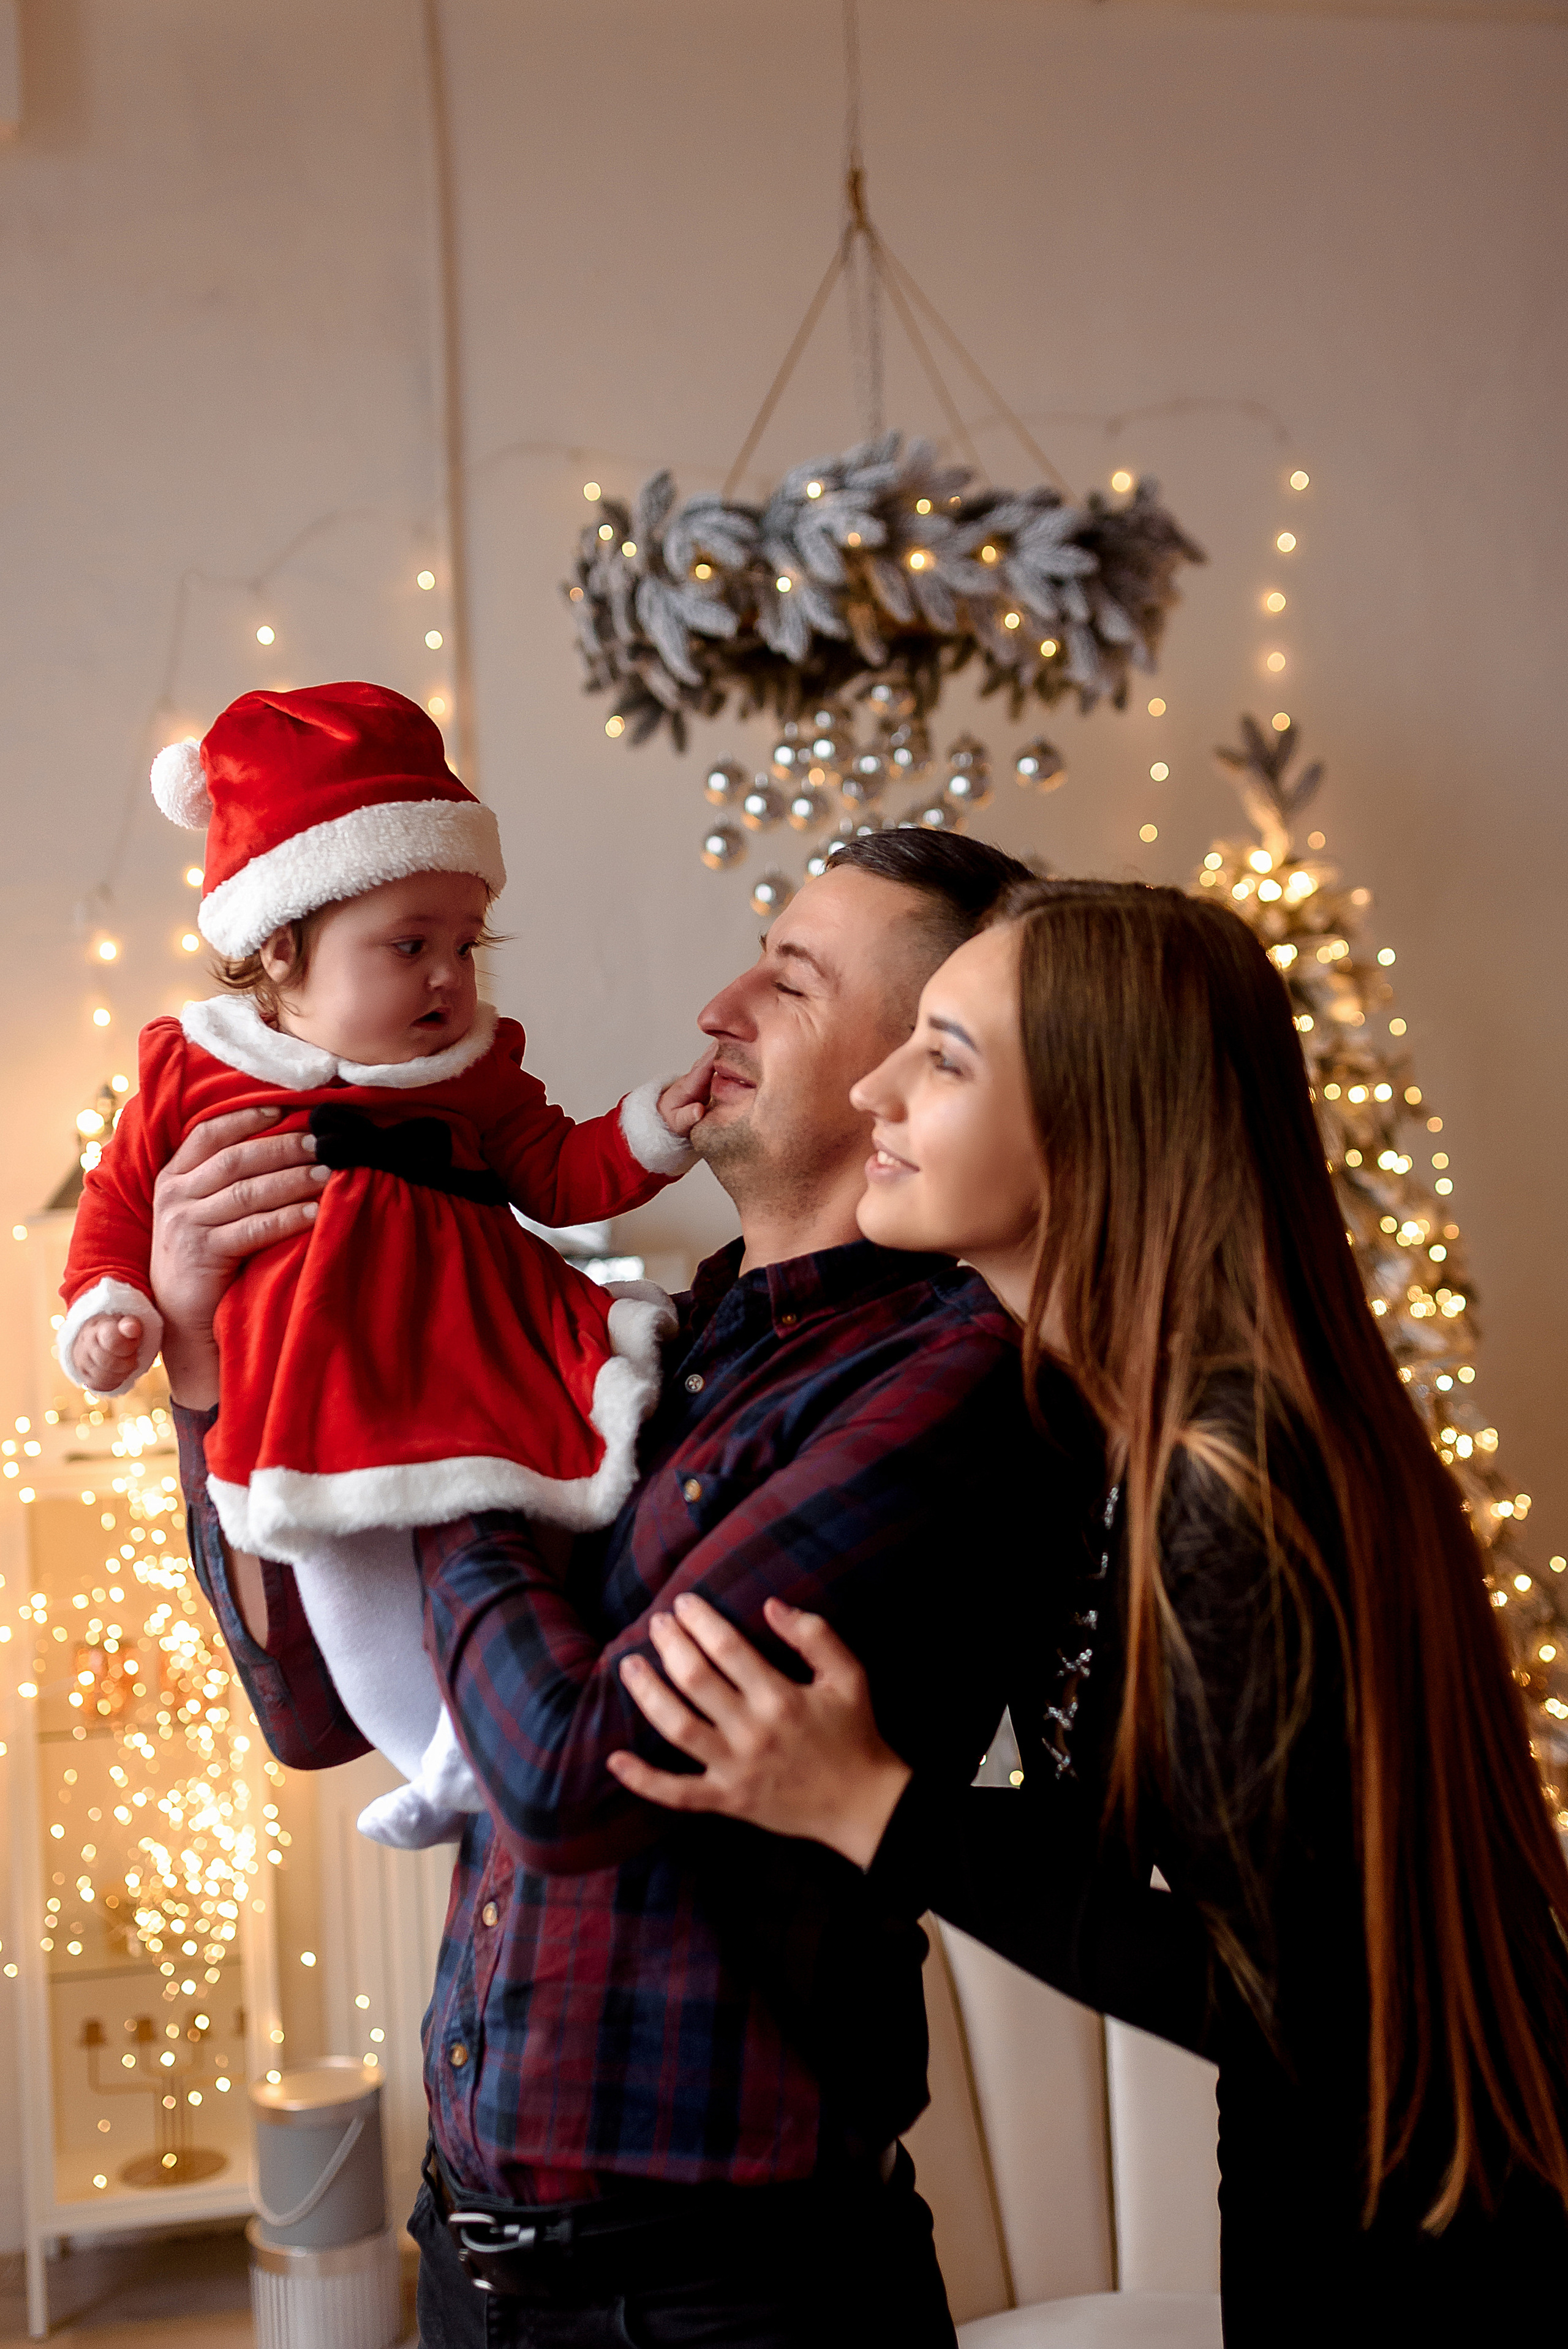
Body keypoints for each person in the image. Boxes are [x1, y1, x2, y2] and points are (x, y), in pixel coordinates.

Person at [156, 830, 1102, 2348]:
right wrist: (213, 1373)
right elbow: (311, 1713)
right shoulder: (645, 1347)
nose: (720, 1005)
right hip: (470, 2255)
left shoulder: (947, 1383)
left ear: (917, 1073)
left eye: (790, 980)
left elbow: (562, 1777)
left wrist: (442, 1435)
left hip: (722, 2296)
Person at [611, 877, 1568, 2347]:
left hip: (1431, 2246)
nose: (876, 1084)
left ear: (1093, 1120)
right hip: (1338, 2203)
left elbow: (1289, 2008)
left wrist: (876, 1810)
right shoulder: (1123, 1440)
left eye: (941, 1056)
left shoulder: (1232, 1478)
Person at [62, 681, 709, 1847]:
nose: (449, 977)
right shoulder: (192, 1070)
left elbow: (557, 1172)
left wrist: (651, 1127)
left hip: (474, 1353)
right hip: (320, 1380)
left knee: (519, 1515)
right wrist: (119, 1307)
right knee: (340, 1555)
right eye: (408, 945)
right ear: (279, 944)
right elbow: (119, 1198)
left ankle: (494, 1722)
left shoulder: (474, 1068)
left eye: (466, 943)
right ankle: (431, 1754)